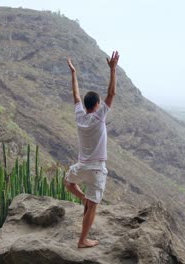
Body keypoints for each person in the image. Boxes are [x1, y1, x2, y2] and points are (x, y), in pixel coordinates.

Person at [63, 51, 119, 248]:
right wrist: (113, 69)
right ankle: (83, 240)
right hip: (96, 170)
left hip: (81, 166)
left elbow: (75, 95)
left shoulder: (80, 117)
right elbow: (111, 94)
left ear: (86, 105)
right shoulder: (99, 117)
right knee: (92, 206)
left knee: (68, 182)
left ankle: (83, 199)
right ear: (97, 105)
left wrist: (73, 73)